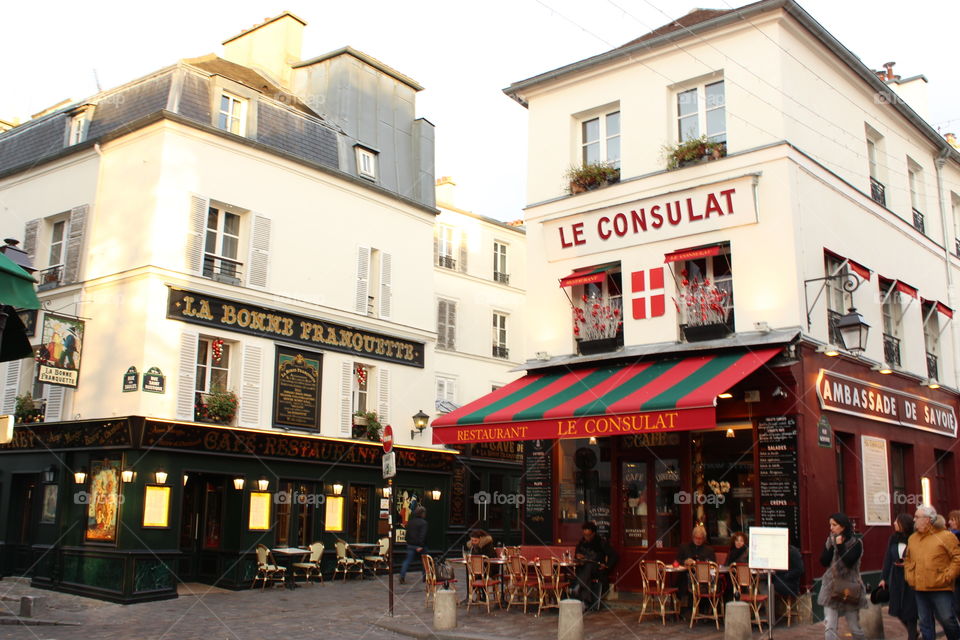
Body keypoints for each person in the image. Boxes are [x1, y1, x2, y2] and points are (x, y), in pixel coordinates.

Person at [904, 505, 960, 640]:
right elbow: (908, 559)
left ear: (928, 519)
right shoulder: (913, 538)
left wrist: (948, 576)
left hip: (940, 587)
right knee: (925, 623)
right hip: (919, 587)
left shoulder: (946, 536)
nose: (914, 520)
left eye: (917, 517)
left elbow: (957, 558)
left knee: (947, 619)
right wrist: (910, 576)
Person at [819, 512, 867, 640]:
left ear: (843, 526)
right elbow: (823, 561)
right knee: (829, 624)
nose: (831, 528)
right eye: (830, 525)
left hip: (848, 586)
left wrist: (840, 546)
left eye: (834, 525)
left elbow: (848, 562)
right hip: (830, 585)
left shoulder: (856, 543)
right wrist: (832, 545)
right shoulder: (830, 539)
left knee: (854, 626)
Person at [879, 513, 919, 640]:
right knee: (897, 609)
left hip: (911, 577)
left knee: (910, 610)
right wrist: (883, 578)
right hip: (896, 577)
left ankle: (912, 635)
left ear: (904, 524)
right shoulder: (893, 538)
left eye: (896, 521)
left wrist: (907, 563)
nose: (894, 523)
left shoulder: (915, 538)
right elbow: (887, 558)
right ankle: (914, 632)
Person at [573, 521, 619, 612]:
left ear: (593, 534)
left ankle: (578, 586)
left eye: (588, 535)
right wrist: (578, 556)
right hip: (583, 569)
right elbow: (576, 554)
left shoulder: (601, 542)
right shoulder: (582, 542)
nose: (586, 537)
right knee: (585, 570)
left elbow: (614, 555)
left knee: (588, 567)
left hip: (597, 569)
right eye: (585, 535)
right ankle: (585, 601)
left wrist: (606, 565)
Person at [676, 525, 716, 608]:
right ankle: (684, 608)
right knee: (681, 582)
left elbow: (713, 564)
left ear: (704, 538)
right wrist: (685, 562)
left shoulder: (709, 550)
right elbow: (676, 562)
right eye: (696, 538)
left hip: (703, 578)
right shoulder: (684, 547)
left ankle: (702, 609)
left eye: (700, 538)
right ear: (693, 537)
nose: (698, 540)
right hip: (686, 576)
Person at [399, 506, 427, 585]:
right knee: (425, 561)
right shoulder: (423, 523)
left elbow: (407, 534)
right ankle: (425, 577)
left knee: (407, 561)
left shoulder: (410, 522)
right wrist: (420, 546)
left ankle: (402, 576)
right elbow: (422, 535)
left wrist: (408, 542)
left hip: (410, 545)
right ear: (422, 514)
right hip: (419, 545)